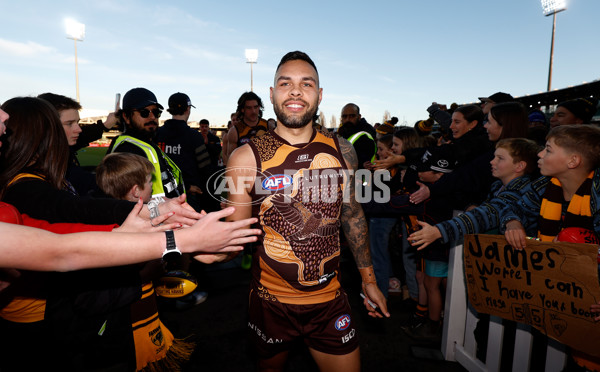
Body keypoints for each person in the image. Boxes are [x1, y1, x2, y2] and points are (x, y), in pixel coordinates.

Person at [225, 51, 388, 372]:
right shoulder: (245, 158)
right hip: (270, 303)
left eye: (306, 84)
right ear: (272, 94)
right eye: (286, 83)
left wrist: (369, 279)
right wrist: (193, 245)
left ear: (319, 94)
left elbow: (352, 215)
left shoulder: (343, 149)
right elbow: (231, 237)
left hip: (329, 301)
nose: (296, 91)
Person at [500, 125, 600, 371]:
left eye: (548, 150)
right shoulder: (545, 185)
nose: (539, 155)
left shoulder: (597, 192)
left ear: (573, 161)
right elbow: (511, 208)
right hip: (566, 294)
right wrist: (513, 222)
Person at [408, 138, 541, 249]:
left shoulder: (520, 190)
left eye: (500, 158)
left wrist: (439, 231)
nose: (492, 161)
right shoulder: (497, 186)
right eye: (494, 156)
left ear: (519, 166)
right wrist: (471, 207)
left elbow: (486, 215)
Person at [109, 87, 186, 200]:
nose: (152, 117)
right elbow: (128, 205)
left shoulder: (147, 145)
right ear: (126, 116)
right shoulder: (128, 150)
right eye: (144, 112)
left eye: (156, 112)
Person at [38, 92, 118, 195]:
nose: (79, 129)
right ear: (48, 125)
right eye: (69, 123)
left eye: (78, 122)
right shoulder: (49, 166)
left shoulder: (57, 150)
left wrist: (105, 125)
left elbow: (84, 136)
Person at [154, 92, 212, 212]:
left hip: (161, 194)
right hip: (188, 197)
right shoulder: (195, 136)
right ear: (188, 109)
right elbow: (206, 170)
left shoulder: (157, 133)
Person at [222, 91, 268, 164]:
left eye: (255, 107)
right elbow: (231, 160)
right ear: (242, 109)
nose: (253, 111)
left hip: (266, 172)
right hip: (245, 172)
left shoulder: (268, 126)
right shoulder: (234, 131)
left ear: (259, 107)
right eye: (249, 108)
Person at [337, 103, 377, 169]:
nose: (347, 119)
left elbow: (362, 164)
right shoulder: (346, 132)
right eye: (344, 116)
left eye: (352, 116)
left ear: (359, 117)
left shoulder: (365, 136)